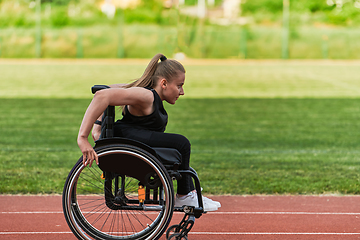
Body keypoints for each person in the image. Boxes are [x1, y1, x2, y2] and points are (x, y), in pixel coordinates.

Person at [77, 53, 221, 211]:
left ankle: (187, 192)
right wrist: (88, 135)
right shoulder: (146, 96)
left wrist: (99, 127)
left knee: (178, 148)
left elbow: (108, 88)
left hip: (131, 137)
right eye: (179, 85)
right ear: (164, 83)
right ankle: (184, 196)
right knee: (182, 143)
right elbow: (102, 94)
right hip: (126, 137)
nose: (182, 92)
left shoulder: (146, 93)